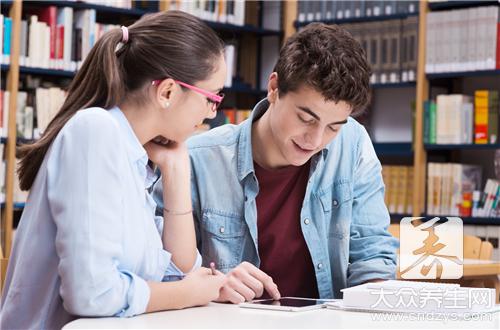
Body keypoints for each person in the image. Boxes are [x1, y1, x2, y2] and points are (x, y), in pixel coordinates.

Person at [0, 11, 226, 329]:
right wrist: (187, 293)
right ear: (168, 92)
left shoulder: (134, 155)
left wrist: (176, 173)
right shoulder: (95, 132)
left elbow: (179, 271)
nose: (211, 114)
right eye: (213, 98)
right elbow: (92, 294)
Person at [153, 23, 399, 303]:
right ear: (274, 88)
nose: (315, 139)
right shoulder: (197, 160)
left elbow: (372, 252)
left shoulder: (353, 143)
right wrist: (215, 286)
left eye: (333, 127)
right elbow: (162, 273)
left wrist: (372, 299)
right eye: (306, 119)